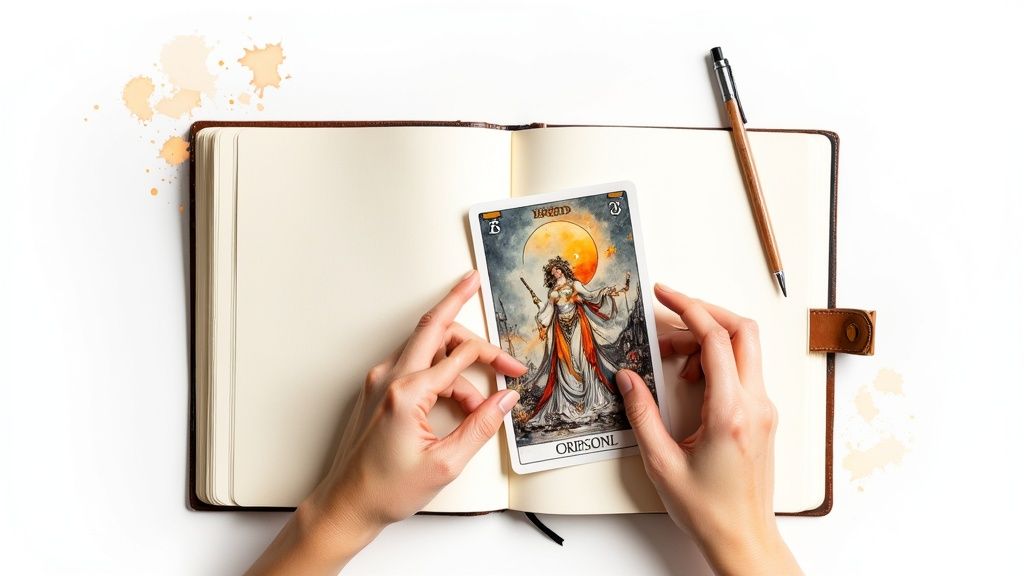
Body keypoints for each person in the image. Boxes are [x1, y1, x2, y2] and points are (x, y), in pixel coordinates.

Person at [244, 271, 803, 575]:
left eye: (562, 274)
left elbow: (591, 306)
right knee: (563, 378)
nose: (560, 277)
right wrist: (749, 540)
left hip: (578, 334)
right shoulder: (554, 295)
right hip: (558, 338)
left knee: (587, 370)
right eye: (557, 275)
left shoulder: (573, 291)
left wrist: (335, 516)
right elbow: (546, 315)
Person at [528, 256, 625, 424]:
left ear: (563, 269)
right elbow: (549, 310)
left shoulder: (574, 284)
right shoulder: (552, 291)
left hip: (577, 322)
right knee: (564, 361)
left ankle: (592, 398)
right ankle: (571, 403)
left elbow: (589, 295)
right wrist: (542, 324)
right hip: (560, 326)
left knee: (581, 356)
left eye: (557, 269)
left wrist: (604, 291)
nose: (556, 272)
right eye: (552, 271)